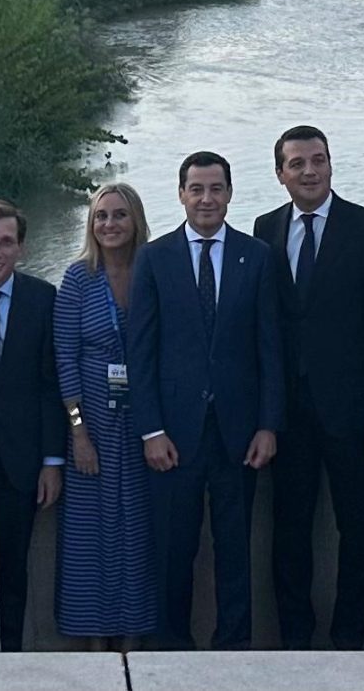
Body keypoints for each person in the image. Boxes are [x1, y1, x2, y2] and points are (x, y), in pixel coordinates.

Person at [125, 151, 284, 650]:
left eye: (216, 189)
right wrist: (150, 429)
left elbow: (270, 347)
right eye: (197, 189)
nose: (207, 199)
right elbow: (140, 350)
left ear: (230, 194)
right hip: (173, 434)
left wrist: (268, 425)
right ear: (181, 195)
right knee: (174, 550)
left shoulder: (256, 256)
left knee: (236, 551)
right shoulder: (154, 257)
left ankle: (232, 651)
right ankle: (171, 652)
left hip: (238, 433)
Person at [253, 125, 364, 650]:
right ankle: (296, 637)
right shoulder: (265, 228)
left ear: (331, 165)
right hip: (288, 415)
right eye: (297, 163)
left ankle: (349, 640)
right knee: (289, 532)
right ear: (281, 174)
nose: (309, 170)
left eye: (317, 160)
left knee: (357, 530)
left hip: (353, 411)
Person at [54, 182, 159, 647]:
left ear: (135, 220)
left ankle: (134, 635)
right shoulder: (78, 279)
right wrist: (79, 433)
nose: (110, 224)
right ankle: (94, 638)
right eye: (101, 216)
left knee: (139, 530)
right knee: (88, 535)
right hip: (92, 422)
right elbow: (65, 357)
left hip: (145, 421)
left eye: (119, 215)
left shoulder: (154, 271)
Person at [0, 199, 65, 650]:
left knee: (11, 571)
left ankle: (7, 663)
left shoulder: (43, 298)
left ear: (22, 248)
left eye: (7, 242)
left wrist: (51, 460)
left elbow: (51, 385)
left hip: (19, 463)